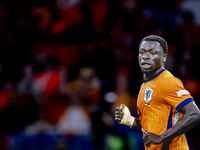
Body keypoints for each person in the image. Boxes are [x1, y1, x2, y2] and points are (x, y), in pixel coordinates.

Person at [115, 35, 200, 150]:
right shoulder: (144, 87)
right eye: (142, 52)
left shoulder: (168, 82)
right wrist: (130, 120)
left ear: (164, 57)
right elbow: (152, 126)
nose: (146, 56)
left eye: (152, 53)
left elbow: (194, 113)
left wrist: (162, 137)